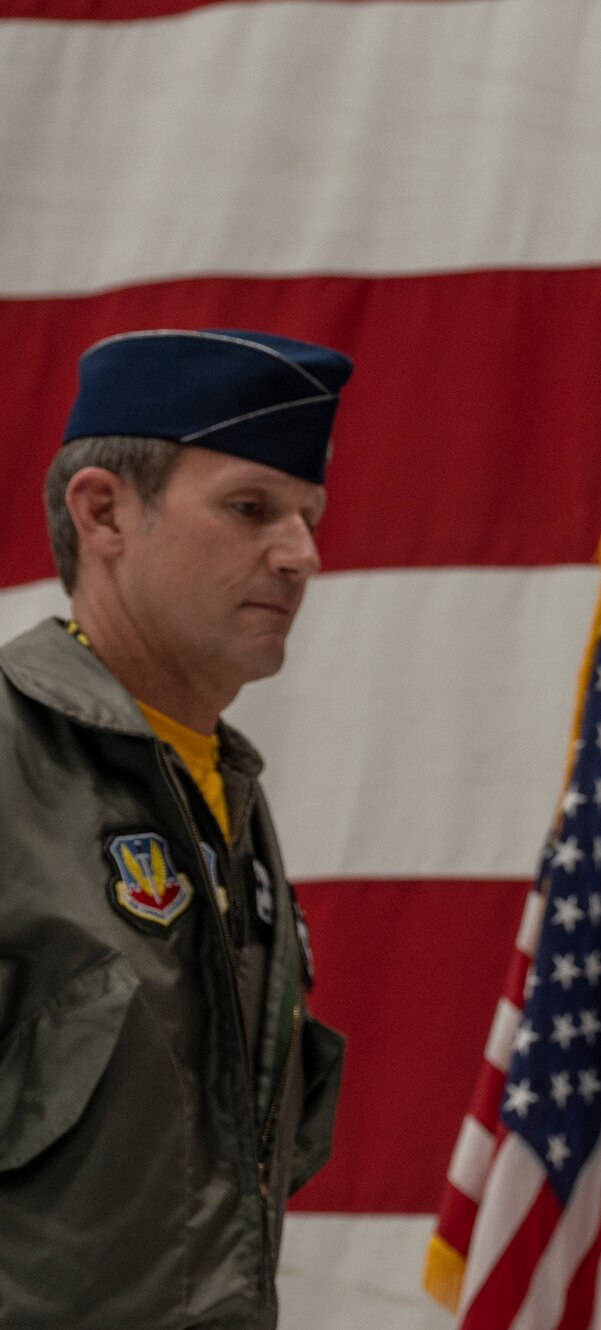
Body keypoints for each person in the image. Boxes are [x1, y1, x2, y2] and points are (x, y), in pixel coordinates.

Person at [0, 330, 352, 1328]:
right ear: (104, 510)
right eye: (251, 509)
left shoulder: (217, 784)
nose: (302, 554)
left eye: (308, 516)